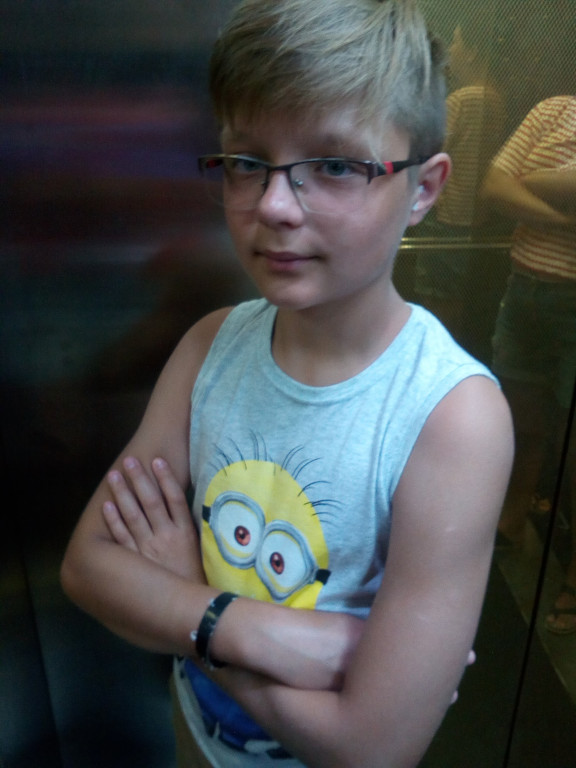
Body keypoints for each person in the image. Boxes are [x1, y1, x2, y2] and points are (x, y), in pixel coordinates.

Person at [60, 1, 513, 766]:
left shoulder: (452, 417)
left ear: (424, 187)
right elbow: (88, 565)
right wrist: (251, 627)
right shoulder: (211, 346)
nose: (273, 205)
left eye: (334, 165)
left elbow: (371, 749)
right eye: (247, 162)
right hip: (194, 736)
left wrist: (190, 605)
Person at [481, 95, 576, 633]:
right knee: (520, 420)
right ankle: (513, 520)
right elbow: (495, 187)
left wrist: (535, 181)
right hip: (525, 290)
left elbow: (522, 181)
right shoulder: (554, 109)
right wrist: (564, 213)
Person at [413, 11, 506, 339]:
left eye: (456, 42)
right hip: (472, 217)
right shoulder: (494, 96)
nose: (451, 50)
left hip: (448, 218)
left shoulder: (466, 98)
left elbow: (426, 152)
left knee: (437, 301)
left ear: (473, 51)